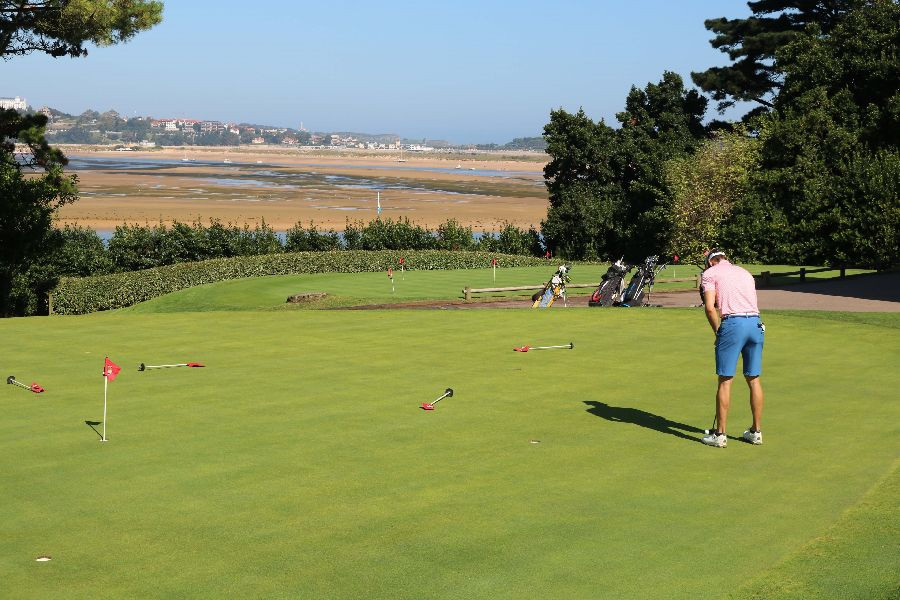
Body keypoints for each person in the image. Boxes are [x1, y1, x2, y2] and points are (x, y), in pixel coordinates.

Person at [699, 249, 765, 448]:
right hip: (755, 324)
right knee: (753, 379)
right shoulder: (744, 272)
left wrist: (718, 332)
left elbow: (709, 307)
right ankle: (756, 432)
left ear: (711, 262)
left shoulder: (710, 273)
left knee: (725, 380)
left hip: (733, 324)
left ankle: (720, 435)